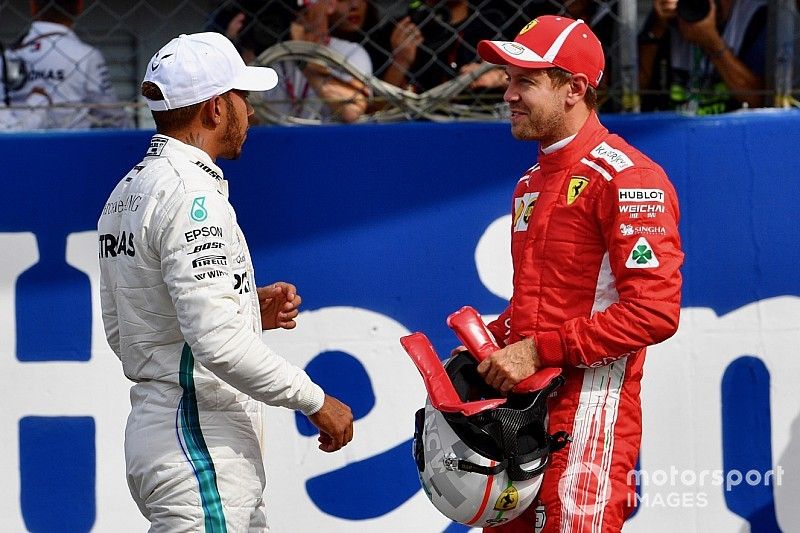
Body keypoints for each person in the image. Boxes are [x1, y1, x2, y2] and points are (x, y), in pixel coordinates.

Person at [97, 32, 353, 530]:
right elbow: (215, 343)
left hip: (172, 436)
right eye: (243, 98)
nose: (251, 113)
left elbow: (129, 327)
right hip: (198, 440)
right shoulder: (192, 195)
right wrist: (316, 401)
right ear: (215, 108)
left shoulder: (126, 192)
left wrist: (242, 309)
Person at [473, 15, 684, 532]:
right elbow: (542, 306)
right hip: (519, 420)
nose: (509, 95)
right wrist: (496, 342)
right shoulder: (529, 183)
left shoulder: (630, 178)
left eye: (526, 81)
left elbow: (653, 313)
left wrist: (536, 350)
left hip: (590, 417)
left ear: (574, 89)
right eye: (508, 80)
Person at [3, 0, 129, 129]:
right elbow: (113, 116)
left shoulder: (9, 56)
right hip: (72, 144)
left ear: (32, 5)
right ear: (79, 6)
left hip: (15, 143)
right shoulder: (87, 55)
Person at [638, 0, 767, 113]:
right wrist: (657, 29)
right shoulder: (668, 17)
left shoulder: (756, 17)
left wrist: (712, 44)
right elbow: (630, 94)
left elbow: (762, 101)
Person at [258, 0, 372, 123]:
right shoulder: (267, 56)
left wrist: (304, 59)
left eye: (304, 7)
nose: (297, 14)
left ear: (330, 5)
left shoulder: (350, 52)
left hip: (327, 139)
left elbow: (351, 110)